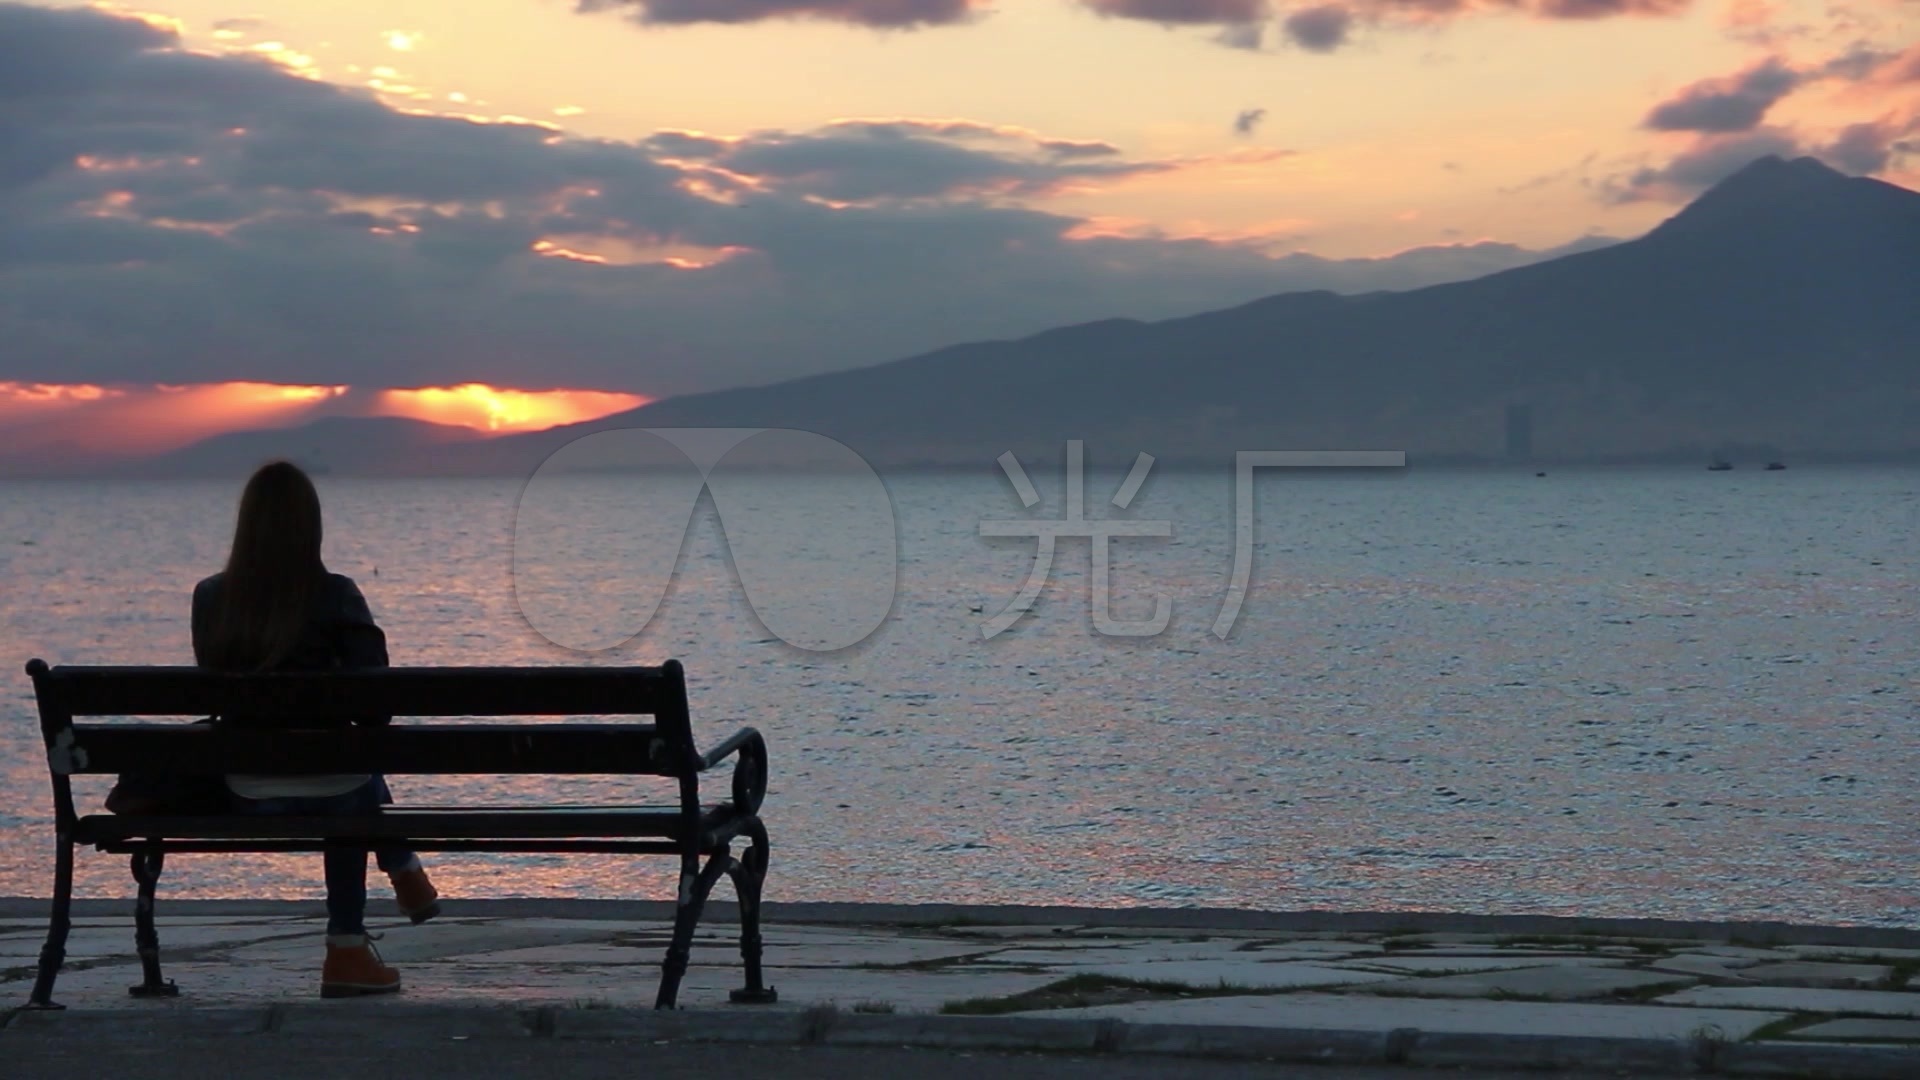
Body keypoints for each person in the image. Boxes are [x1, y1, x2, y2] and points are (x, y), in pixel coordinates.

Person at [192, 461, 440, 998]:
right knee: (347, 781)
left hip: (246, 790)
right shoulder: (337, 595)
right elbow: (377, 710)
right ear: (312, 525)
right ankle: (359, 930)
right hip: (336, 792)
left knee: (345, 773)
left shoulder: (211, 597)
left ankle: (403, 873)